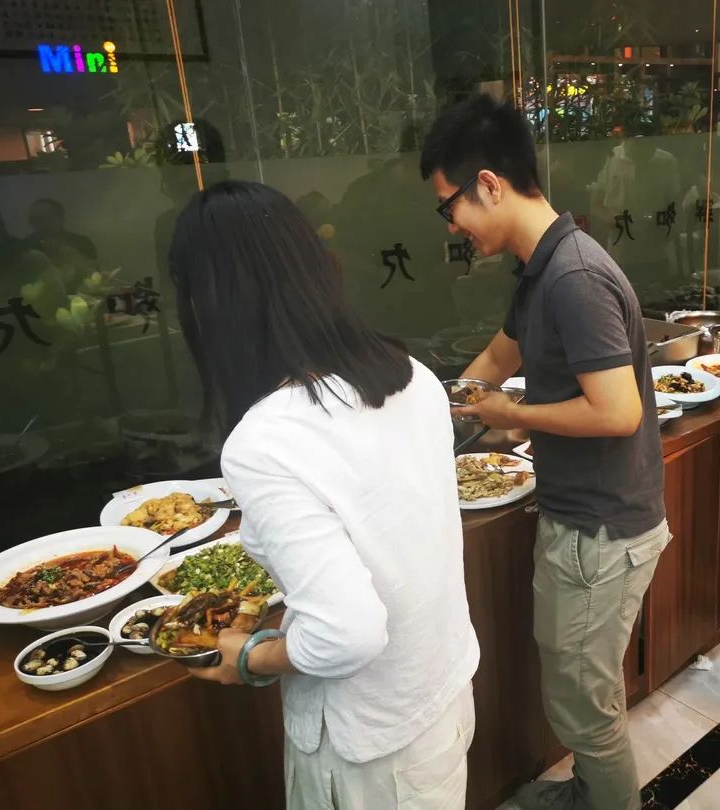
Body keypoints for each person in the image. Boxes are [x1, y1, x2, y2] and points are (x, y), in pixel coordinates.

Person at [168, 180, 479, 810]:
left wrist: (251, 658)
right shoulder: (413, 375)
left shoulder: (264, 441)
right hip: (441, 697)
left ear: (212, 306)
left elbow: (348, 634)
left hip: (368, 751)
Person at [421, 94, 669, 810]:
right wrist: (428, 417)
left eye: (449, 207)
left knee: (586, 708)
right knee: (576, 691)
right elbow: (496, 362)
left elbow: (617, 412)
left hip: (601, 529)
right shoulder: (543, 266)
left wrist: (516, 415)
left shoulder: (573, 277)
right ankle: (590, 794)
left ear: (489, 184)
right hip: (585, 518)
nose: (452, 226)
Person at [22, 197, 97, 265]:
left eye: (45, 218)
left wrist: (69, 255)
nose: (39, 223)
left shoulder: (81, 243)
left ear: (60, 218)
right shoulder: (24, 247)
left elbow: (95, 272)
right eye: (34, 219)